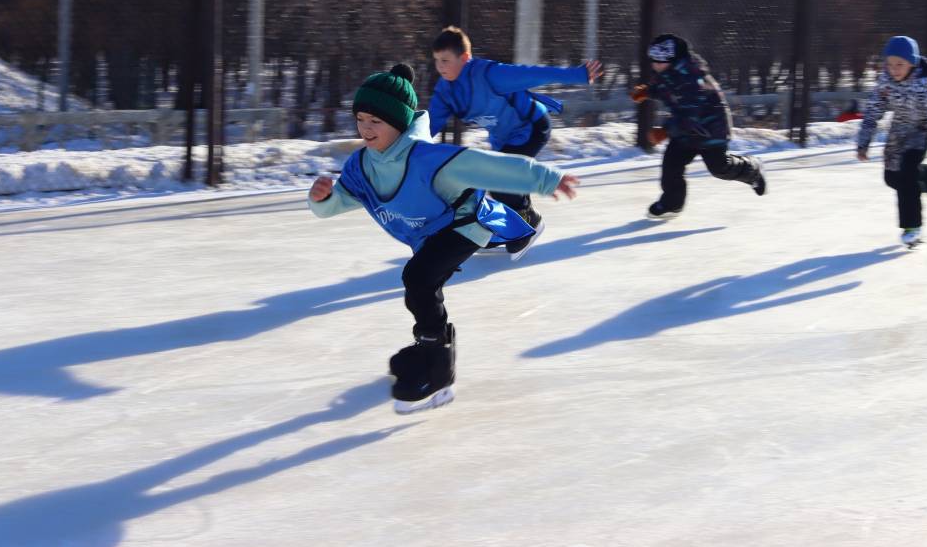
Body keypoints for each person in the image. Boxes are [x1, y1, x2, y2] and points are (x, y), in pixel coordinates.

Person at [309, 63, 579, 414]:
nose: (366, 129)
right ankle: (429, 347)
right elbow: (336, 204)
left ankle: (438, 372)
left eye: (376, 121)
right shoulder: (362, 166)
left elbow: (490, 166)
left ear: (399, 122)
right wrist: (320, 199)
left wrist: (546, 179)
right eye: (361, 119)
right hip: (431, 231)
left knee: (418, 277)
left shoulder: (429, 159)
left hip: (465, 222)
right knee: (422, 282)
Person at [429, 26, 602, 254]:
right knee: (499, 178)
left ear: (465, 58)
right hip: (503, 138)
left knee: (500, 177)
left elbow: (533, 73)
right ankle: (508, 226)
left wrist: (577, 74)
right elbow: (429, 124)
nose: (440, 67)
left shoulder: (489, 74)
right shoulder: (445, 92)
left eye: (446, 60)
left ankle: (528, 221)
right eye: (437, 61)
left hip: (531, 126)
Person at [630, 33, 766, 219]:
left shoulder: (692, 79)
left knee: (720, 168)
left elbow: (690, 113)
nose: (655, 65)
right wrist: (648, 91)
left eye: (659, 61)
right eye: (653, 61)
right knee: (671, 166)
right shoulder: (668, 72)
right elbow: (666, 89)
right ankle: (672, 203)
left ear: (672, 59)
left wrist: (665, 131)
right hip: (686, 131)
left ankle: (753, 170)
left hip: (710, 128)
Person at [856, 35, 927, 248]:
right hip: (899, 129)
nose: (894, 69)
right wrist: (863, 142)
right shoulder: (885, 82)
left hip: (922, 130)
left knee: (906, 171)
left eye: (900, 64)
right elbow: (873, 111)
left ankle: (912, 227)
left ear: (912, 63)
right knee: (892, 178)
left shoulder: (926, 88)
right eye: (890, 64)